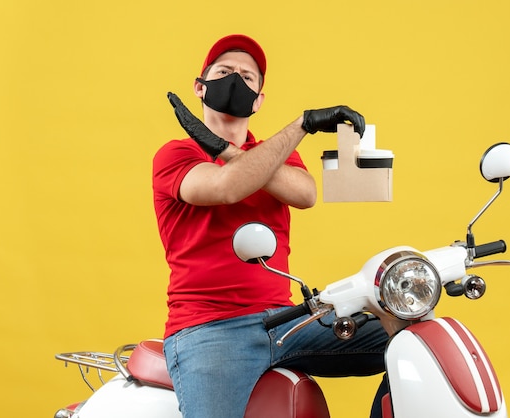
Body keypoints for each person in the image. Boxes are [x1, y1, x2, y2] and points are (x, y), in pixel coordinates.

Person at [152, 34, 388, 418]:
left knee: (411, 337)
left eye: (247, 78)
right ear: (200, 86)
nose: (235, 81)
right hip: (209, 329)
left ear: (259, 100)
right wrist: (302, 124)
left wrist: (224, 148)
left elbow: (306, 194)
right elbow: (226, 188)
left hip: (285, 320)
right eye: (224, 72)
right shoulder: (176, 153)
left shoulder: (278, 154)